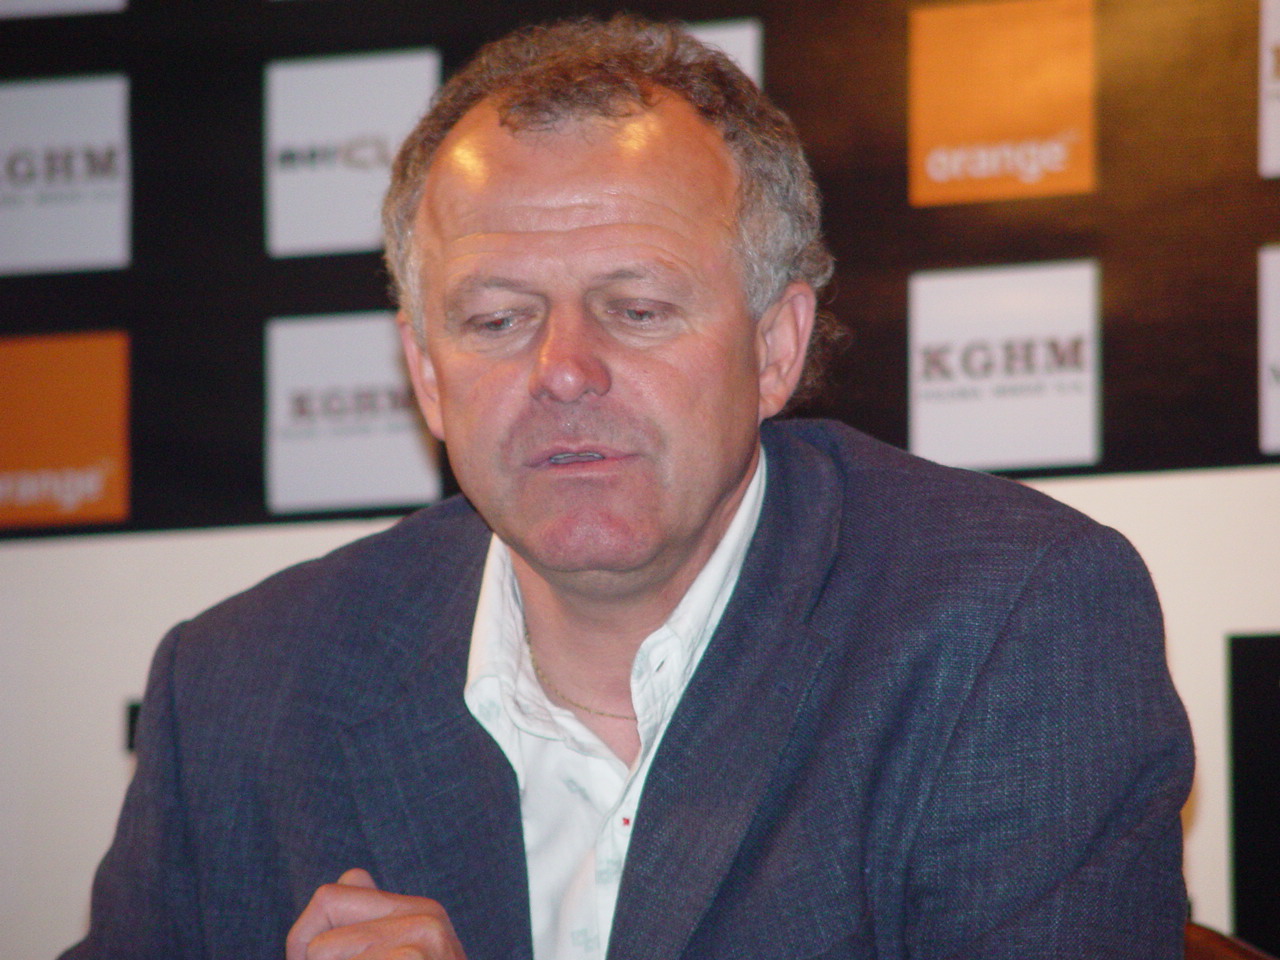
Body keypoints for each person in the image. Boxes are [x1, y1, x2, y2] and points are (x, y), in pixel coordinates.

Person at [63, 14, 1193, 960]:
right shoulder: (238, 688)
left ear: (775, 347)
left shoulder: (1008, 623)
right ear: (426, 375)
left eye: (636, 309)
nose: (563, 372)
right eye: (496, 320)